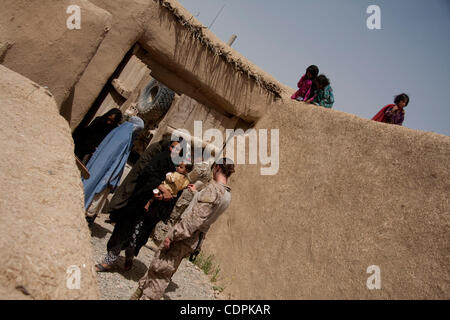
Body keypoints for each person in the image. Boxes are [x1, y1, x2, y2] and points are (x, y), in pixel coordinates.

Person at [130, 158, 235, 300]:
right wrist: (196, 194)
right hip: (194, 237)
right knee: (160, 265)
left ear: (216, 167)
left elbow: (195, 219)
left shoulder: (213, 189)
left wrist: (173, 236)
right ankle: (138, 292)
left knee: (162, 270)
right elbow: (206, 211)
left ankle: (146, 297)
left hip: (184, 235)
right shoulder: (227, 195)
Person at [95, 140, 185, 272]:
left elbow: (176, 193)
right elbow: (148, 174)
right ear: (168, 146)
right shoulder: (159, 158)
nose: (174, 152)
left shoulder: (177, 171)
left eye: (179, 151)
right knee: (123, 231)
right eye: (173, 147)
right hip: (138, 202)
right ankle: (109, 261)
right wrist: (160, 187)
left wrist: (166, 197)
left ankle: (130, 255)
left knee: (138, 237)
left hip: (152, 211)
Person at [82, 116, 144, 226]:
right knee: (93, 193)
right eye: (137, 130)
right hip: (104, 172)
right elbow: (109, 157)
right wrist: (108, 175)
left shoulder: (127, 138)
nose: (137, 134)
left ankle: (88, 217)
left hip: (109, 175)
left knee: (98, 198)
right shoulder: (122, 136)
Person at [106, 133, 177, 219]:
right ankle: (113, 211)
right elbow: (145, 163)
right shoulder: (157, 148)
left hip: (143, 176)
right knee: (126, 192)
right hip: (139, 175)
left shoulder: (160, 149)